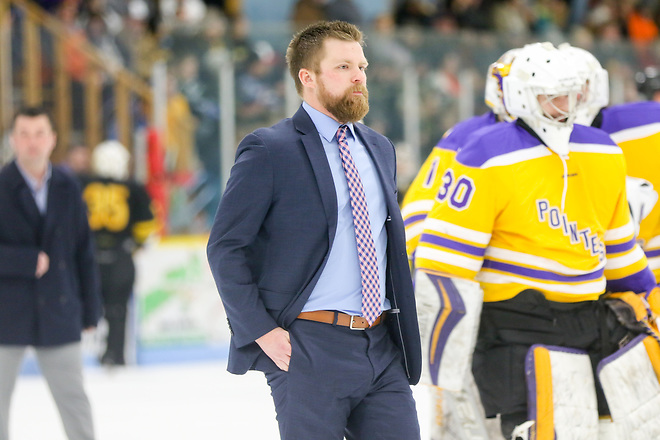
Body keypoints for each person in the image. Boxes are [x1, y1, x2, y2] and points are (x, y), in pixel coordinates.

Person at [414, 42, 658, 439]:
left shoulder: (604, 151)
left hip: (589, 318)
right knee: (535, 429)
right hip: (511, 326)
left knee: (617, 425)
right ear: (524, 96)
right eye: (552, 95)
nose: (566, 103)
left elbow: (619, 252)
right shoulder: (484, 153)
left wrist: (650, 298)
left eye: (572, 93)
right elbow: (444, 266)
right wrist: (445, 368)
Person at [206, 20, 422, 440]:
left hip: (380, 345)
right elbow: (226, 249)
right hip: (308, 348)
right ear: (308, 77)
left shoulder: (379, 148)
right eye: (343, 67)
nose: (359, 76)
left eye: (361, 66)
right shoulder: (270, 149)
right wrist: (262, 332)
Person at [401, 47, 519, 440]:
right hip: (461, 293)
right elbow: (418, 214)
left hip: (510, 304)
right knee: (461, 406)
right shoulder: (473, 136)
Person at [0, 107, 102, 440]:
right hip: (6, 315)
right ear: (13, 140)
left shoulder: (68, 187)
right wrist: (23, 261)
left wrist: (91, 308)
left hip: (59, 308)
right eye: (25, 134)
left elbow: (83, 252)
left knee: (73, 398)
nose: (32, 142)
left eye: (39, 133)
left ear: (53, 139)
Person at [81, 140, 157, 366]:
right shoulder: (134, 187)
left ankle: (93, 351)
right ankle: (115, 354)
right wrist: (135, 244)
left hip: (90, 257)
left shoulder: (83, 184)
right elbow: (147, 224)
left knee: (88, 306)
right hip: (120, 256)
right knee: (118, 309)